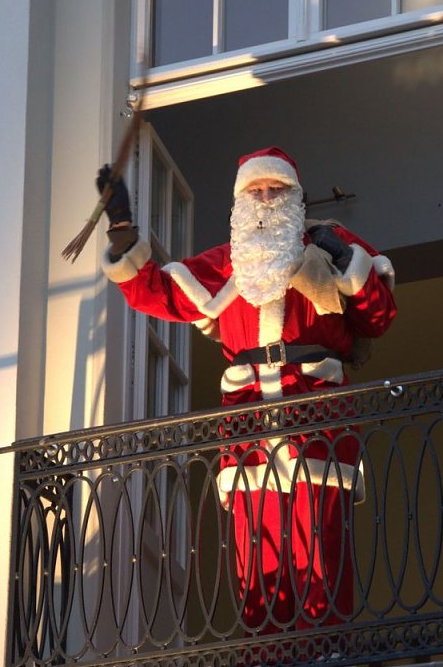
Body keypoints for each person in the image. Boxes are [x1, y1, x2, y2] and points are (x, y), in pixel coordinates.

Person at [98, 147, 396, 638]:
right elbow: (156, 291)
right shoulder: (223, 263)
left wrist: (345, 259)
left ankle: (327, 652)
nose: (266, 198)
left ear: (295, 197)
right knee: (255, 545)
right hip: (248, 418)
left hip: (316, 408)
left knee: (320, 538)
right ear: (240, 202)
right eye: (255, 190)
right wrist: (122, 231)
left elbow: (378, 316)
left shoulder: (331, 248)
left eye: (276, 189)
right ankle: (266, 658)